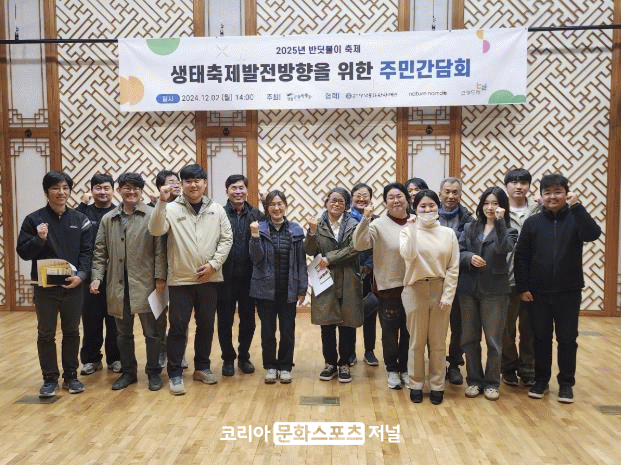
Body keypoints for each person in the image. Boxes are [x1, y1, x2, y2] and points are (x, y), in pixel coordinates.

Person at [515, 174, 601, 403]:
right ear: (541, 196)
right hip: (538, 293)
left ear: (566, 194)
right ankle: (541, 381)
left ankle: (566, 384)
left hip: (569, 292)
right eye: (548, 193)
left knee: (567, 339)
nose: (552, 197)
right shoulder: (532, 223)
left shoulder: (576, 218)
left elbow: (593, 234)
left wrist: (577, 206)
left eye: (558, 192)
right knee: (541, 339)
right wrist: (523, 287)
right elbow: (521, 257)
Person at [148, 164, 233, 395]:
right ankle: (175, 373)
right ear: (182, 184)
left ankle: (202, 367)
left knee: (206, 326)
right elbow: (156, 230)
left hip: (209, 278)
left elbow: (227, 239)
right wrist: (161, 202)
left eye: (197, 180)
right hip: (181, 280)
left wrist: (214, 264)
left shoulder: (217, 209)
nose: (193, 185)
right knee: (178, 328)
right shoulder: (170, 208)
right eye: (188, 181)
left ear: (205, 183)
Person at [16, 171, 92, 397]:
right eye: (55, 188)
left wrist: (82, 275)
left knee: (72, 332)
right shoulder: (34, 220)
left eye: (65, 188)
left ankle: (71, 376)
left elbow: (87, 252)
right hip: (45, 288)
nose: (61, 192)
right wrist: (38, 239)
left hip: (73, 285)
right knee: (46, 333)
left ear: (70, 191)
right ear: (46, 191)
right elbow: (23, 252)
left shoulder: (80, 220)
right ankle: (49, 379)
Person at [90, 173, 166, 391]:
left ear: (141, 191)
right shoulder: (108, 219)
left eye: (135, 188)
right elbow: (100, 251)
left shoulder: (152, 215)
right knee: (123, 333)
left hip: (147, 283)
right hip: (118, 284)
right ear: (119, 190)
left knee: (153, 332)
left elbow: (160, 250)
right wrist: (96, 277)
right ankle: (128, 372)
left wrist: (160, 278)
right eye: (126, 188)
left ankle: (153, 372)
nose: (131, 192)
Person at [400, 189, 459, 405]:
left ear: (438, 207)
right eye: (422, 206)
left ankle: (437, 385)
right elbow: (408, 255)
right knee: (416, 342)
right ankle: (416, 383)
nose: (427, 209)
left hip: (440, 289)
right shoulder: (407, 230)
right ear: (415, 208)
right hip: (414, 290)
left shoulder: (448, 233)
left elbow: (453, 267)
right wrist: (412, 228)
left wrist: (448, 295)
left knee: (438, 343)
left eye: (431, 205)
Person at [458, 187, 518, 401]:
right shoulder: (469, 227)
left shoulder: (509, 230)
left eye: (495, 203)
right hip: (468, 289)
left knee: (494, 340)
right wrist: (468, 258)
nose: (490, 207)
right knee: (469, 339)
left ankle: (492, 383)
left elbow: (504, 248)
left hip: (495, 291)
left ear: (503, 207)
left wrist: (500, 222)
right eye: (486, 203)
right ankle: (474, 380)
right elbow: (458, 251)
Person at [353, 183, 410, 390]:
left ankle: (405, 368)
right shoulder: (378, 225)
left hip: (414, 287)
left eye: (399, 196)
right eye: (391, 197)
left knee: (409, 332)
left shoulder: (415, 222)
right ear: (385, 202)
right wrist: (365, 219)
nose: (396, 200)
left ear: (407, 199)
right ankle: (392, 369)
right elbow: (359, 244)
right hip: (388, 288)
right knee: (390, 332)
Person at [248, 190, 307, 384]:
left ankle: (286, 366)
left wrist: (302, 289)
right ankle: (271, 366)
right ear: (267, 208)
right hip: (265, 290)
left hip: (288, 289)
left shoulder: (295, 230)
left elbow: (300, 263)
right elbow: (256, 258)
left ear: (285, 206)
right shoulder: (260, 228)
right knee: (267, 331)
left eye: (280, 203)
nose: (276, 208)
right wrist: (254, 236)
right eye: (272, 204)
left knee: (287, 331)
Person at [305, 187, 362, 383]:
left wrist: (330, 258)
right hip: (324, 278)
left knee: (348, 322)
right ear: (326, 203)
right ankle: (329, 363)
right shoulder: (318, 224)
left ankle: (344, 363)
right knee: (326, 322)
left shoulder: (354, 224)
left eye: (341, 201)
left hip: (348, 277)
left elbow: (355, 248)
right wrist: (312, 233)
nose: (336, 204)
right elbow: (309, 250)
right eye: (333, 200)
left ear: (346, 206)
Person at [217, 175, 262, 377]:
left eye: (241, 187)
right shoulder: (218, 213)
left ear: (246, 190)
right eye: (233, 188)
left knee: (248, 320)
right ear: (227, 191)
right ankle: (228, 358)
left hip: (249, 277)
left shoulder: (256, 214)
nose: (238, 191)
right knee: (224, 320)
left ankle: (244, 356)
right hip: (224, 277)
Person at [76, 173, 121, 376]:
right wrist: (82, 204)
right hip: (89, 275)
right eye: (98, 188)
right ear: (91, 190)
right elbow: (74, 232)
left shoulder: (119, 213)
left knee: (115, 320)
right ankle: (91, 359)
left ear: (113, 190)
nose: (102, 192)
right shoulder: (83, 213)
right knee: (91, 320)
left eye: (106, 188)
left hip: (115, 275)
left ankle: (115, 358)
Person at [501, 168, 539, 387]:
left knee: (530, 328)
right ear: (506, 185)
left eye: (523, 182)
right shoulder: (498, 208)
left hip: (533, 279)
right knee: (505, 329)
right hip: (505, 278)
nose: (518, 186)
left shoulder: (539, 208)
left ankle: (528, 368)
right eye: (514, 182)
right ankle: (508, 367)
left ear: (529, 186)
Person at [438, 176, 474, 385]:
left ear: (460, 195)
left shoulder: (469, 220)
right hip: (433, 277)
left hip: (460, 278)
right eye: (447, 192)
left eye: (455, 192)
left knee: (458, 325)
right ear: (440, 193)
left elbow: (469, 248)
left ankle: (454, 364)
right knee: (434, 325)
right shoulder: (428, 215)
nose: (451, 196)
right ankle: (437, 364)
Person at [149, 170, 185, 370]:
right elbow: (158, 246)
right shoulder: (155, 209)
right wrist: (160, 275)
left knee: (180, 317)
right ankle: (162, 352)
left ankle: (179, 354)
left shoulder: (185, 207)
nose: (176, 185)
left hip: (181, 271)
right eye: (171, 182)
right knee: (159, 316)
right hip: (160, 273)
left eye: (178, 181)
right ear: (160, 187)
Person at [349, 183, 379, 367]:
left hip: (370, 274)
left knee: (371, 312)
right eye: (358, 195)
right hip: (350, 272)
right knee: (349, 313)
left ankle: (369, 351)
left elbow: (378, 247)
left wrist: (368, 266)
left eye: (365, 196)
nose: (361, 199)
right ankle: (350, 352)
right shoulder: (346, 218)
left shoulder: (376, 220)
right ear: (352, 197)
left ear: (370, 198)